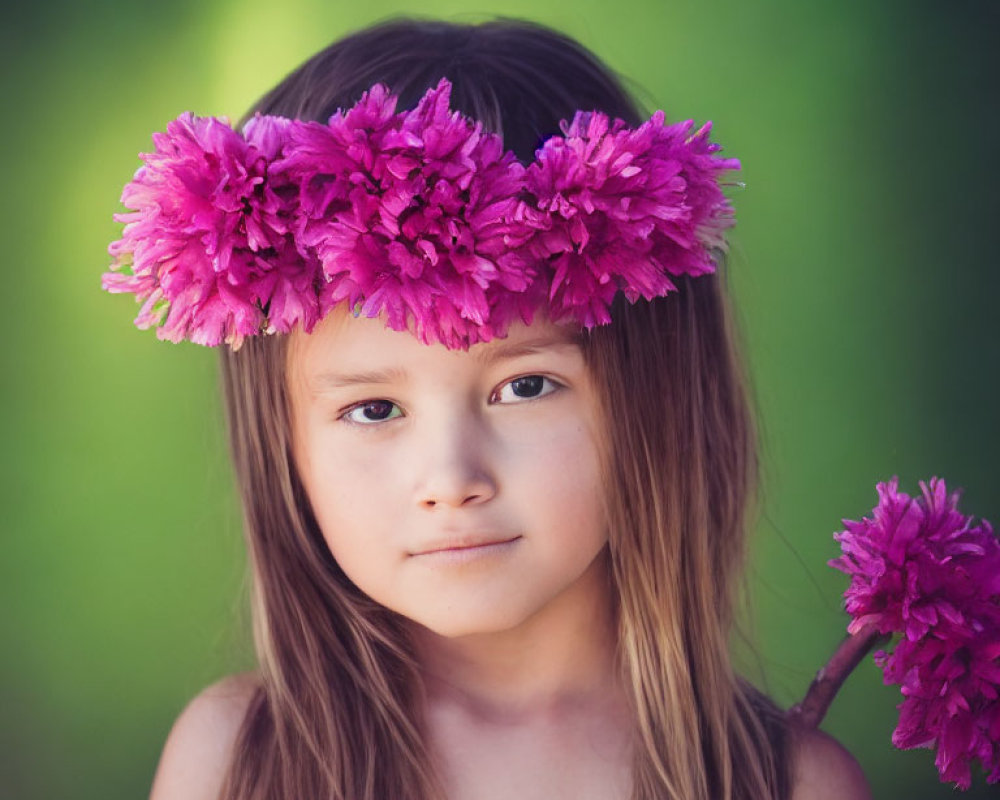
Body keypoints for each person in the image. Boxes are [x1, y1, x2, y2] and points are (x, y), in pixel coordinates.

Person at [106, 18, 872, 800]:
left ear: (657, 396)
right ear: (284, 441)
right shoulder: (233, 763)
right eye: (374, 408)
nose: (451, 478)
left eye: (525, 387)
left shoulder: (787, 784)